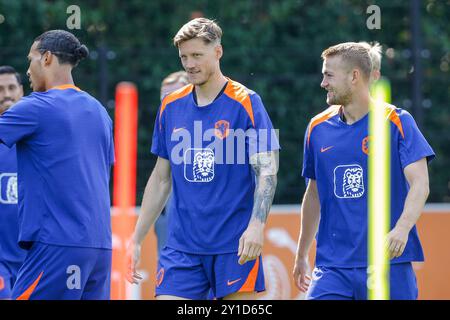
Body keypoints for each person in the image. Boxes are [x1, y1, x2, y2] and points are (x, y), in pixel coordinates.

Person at [128, 18, 280, 300]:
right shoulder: (171, 105)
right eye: (184, 57)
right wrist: (137, 238)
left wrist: (257, 225)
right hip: (182, 247)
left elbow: (267, 171)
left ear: (218, 52)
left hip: (234, 246)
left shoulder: (247, 102)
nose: (189, 64)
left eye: (197, 55)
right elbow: (161, 178)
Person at [293, 42, 435, 300]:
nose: (323, 83)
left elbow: (420, 184)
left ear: (354, 76)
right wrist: (302, 253)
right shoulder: (317, 127)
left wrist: (402, 229)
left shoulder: (397, 122)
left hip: (388, 264)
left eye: (329, 75)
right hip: (332, 267)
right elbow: (313, 193)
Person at [0, 30, 115, 300]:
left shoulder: (35, 107)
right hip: (99, 248)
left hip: (57, 245)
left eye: (30, 60)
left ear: (47, 58)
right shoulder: (99, 111)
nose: (27, 70)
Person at [154, 71, 189, 255]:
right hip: (171, 222)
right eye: (163, 98)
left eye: (173, 96)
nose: (167, 103)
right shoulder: (165, 131)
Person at [0, 66, 26, 300]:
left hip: (34, 257)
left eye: (11, 88)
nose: (6, 94)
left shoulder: (39, 140)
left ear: (21, 92)